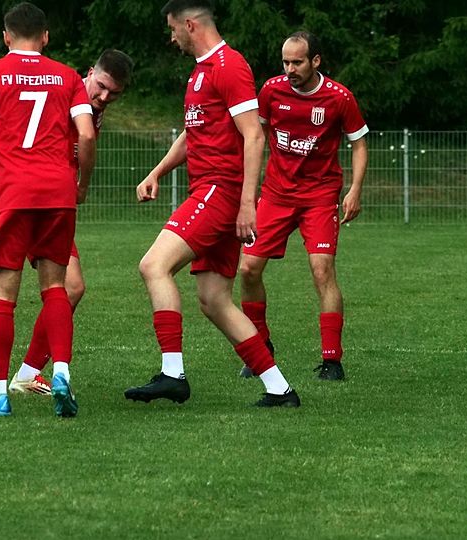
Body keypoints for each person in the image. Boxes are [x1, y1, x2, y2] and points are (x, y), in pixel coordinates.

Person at [123, 0, 300, 408]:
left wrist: (247, 203)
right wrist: (156, 172)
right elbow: (193, 135)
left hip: (219, 191)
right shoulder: (201, 71)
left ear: (189, 25)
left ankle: (172, 374)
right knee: (214, 300)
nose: (171, 38)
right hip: (211, 191)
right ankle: (280, 389)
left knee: (153, 265)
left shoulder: (229, 65)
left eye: (173, 29)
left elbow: (254, 135)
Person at [0, 49, 134, 397]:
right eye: (101, 86)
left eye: (114, 93)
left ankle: (28, 373)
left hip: (48, 201)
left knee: (72, 287)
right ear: (89, 72)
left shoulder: (91, 110)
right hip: (7, 191)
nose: (104, 96)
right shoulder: (63, 88)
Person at [0, 2, 96, 417]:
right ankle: (60, 372)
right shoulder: (67, 76)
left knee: (3, 293)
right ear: (45, 36)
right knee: (55, 288)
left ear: (6, 36)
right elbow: (85, 135)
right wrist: (82, 183)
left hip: (12, 193)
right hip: (58, 193)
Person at [238, 32, 368, 382]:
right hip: (276, 194)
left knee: (322, 270)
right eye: (286, 62)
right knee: (248, 269)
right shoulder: (271, 91)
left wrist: (355, 189)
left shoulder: (339, 97)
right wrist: (247, 188)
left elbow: (359, 144)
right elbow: (255, 137)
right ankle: (260, 347)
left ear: (316, 61)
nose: (290, 69)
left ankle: (332, 360)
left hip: (320, 197)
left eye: (297, 62)